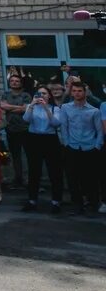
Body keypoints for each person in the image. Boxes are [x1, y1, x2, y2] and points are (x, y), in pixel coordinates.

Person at [60, 79, 103, 215]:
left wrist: (97, 146)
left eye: (79, 91)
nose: (77, 93)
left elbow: (99, 131)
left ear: (85, 92)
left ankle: (93, 203)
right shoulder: (66, 108)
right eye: (74, 91)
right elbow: (64, 127)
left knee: (91, 177)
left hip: (89, 147)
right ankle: (77, 204)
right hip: (72, 146)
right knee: (73, 177)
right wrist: (66, 143)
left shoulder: (94, 111)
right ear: (71, 93)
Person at [20, 85, 63, 212]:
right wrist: (32, 105)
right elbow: (26, 119)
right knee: (34, 171)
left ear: (49, 96)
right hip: (34, 139)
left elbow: (55, 123)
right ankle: (32, 200)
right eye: (39, 94)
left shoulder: (55, 108)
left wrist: (46, 108)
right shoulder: (30, 107)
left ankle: (56, 202)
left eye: (44, 93)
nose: (42, 96)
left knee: (54, 171)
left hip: (50, 139)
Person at [0, 73, 31, 190]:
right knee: (15, 155)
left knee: (28, 155)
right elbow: (3, 106)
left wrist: (10, 107)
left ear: (20, 83)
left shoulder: (26, 95)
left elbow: (26, 108)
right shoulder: (6, 94)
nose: (14, 82)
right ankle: (17, 179)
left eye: (17, 81)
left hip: (26, 129)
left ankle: (29, 180)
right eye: (12, 81)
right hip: (11, 129)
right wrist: (19, 108)